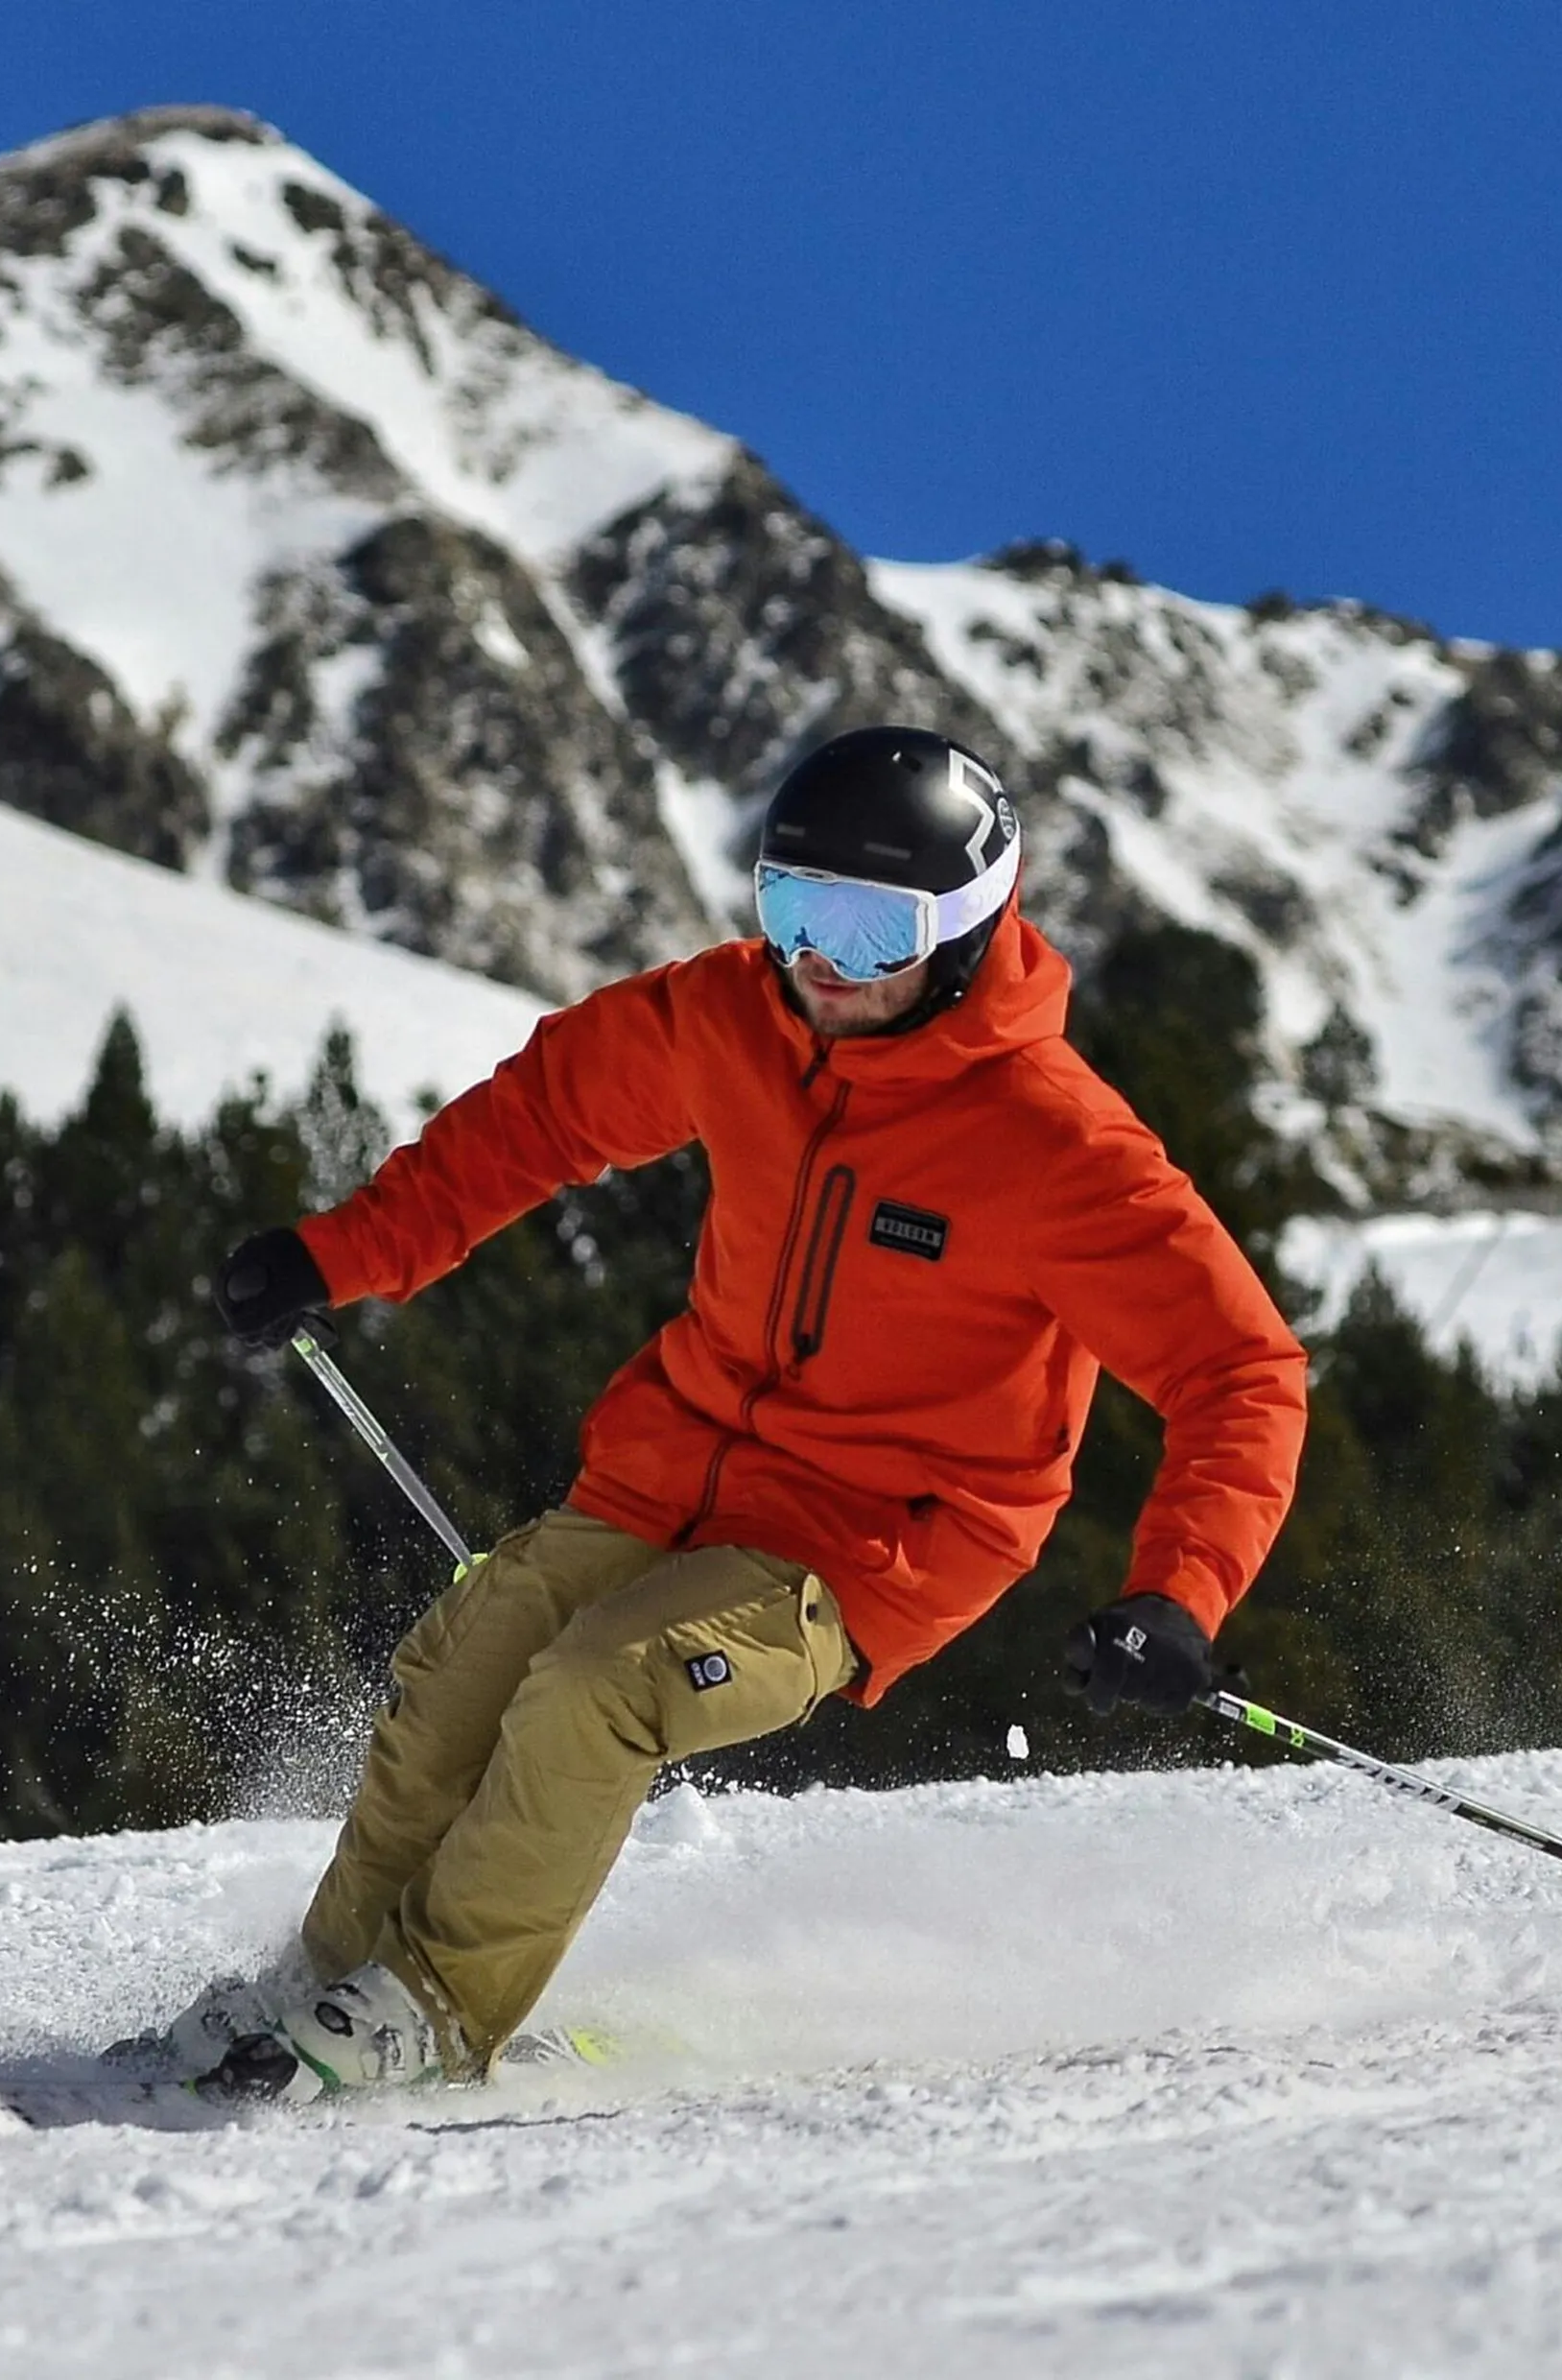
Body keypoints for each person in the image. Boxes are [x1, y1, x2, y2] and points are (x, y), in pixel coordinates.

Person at [192, 725, 1308, 2102]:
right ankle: (327, 1978)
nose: (823, 964)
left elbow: (1240, 1371)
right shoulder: (735, 1018)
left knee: (602, 1684)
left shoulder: (1052, 1144)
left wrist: (1183, 1594)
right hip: (672, 1472)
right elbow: (542, 1116)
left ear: (963, 932)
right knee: (465, 1664)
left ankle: (430, 2009)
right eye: (792, 910)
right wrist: (341, 1254)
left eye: (865, 926)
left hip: (873, 1543)